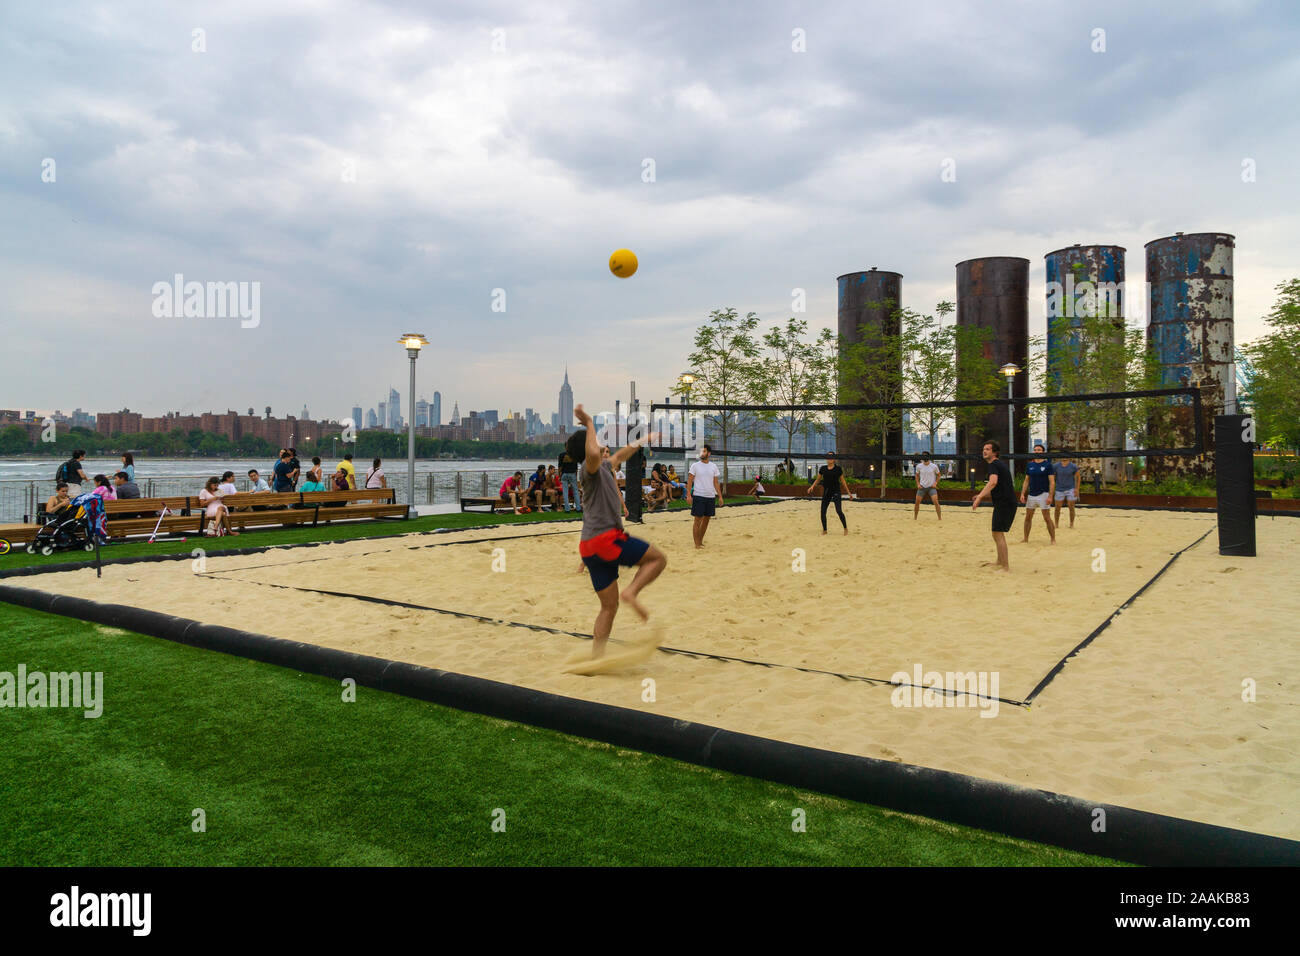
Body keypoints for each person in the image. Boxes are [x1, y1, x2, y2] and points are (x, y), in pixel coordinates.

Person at [570, 405, 667, 660]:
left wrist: (643, 440)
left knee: (608, 607)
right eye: (598, 442)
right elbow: (592, 453)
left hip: (590, 547)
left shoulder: (602, 467)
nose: (603, 447)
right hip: (605, 540)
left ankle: (596, 657)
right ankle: (632, 592)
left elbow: (621, 455)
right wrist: (589, 422)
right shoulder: (588, 469)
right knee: (658, 559)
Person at [971, 440, 1015, 572]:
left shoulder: (994, 465)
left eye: (988, 449)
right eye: (983, 449)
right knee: (996, 533)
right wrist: (982, 495)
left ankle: (1005, 567)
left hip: (1005, 503)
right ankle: (999, 561)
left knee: (998, 534)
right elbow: (1000, 487)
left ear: (994, 452)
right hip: (1004, 502)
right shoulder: (997, 465)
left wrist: (979, 497)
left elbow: (993, 482)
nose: (984, 451)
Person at [686, 444, 723, 549]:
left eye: (704, 451)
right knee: (697, 520)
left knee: (706, 520)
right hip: (698, 496)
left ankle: (700, 542)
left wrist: (720, 497)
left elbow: (716, 483)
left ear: (709, 453)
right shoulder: (695, 466)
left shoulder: (713, 466)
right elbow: (689, 481)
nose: (702, 453)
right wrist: (688, 495)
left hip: (710, 496)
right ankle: (696, 544)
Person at [1019, 443, 1057, 544]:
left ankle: (1053, 539)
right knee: (1028, 517)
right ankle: (1026, 538)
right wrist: (1022, 493)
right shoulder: (1030, 465)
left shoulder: (1048, 465)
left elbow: (1052, 482)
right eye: (1035, 450)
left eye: (1039, 450)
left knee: (1047, 518)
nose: (1037, 451)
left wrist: (1050, 496)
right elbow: (1026, 480)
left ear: (1043, 452)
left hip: (1043, 494)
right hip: (1031, 495)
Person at [805, 452, 849, 535]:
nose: (829, 459)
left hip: (836, 491)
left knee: (839, 511)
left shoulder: (838, 469)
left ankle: (845, 528)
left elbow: (843, 481)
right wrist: (812, 486)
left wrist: (849, 493)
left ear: (834, 459)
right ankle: (825, 530)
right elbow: (818, 480)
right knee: (823, 511)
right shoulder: (823, 469)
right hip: (827, 492)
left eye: (831, 457)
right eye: (828, 457)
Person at [1052, 454, 1080, 528]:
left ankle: (1071, 524)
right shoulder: (1056, 466)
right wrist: (1051, 489)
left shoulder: (1073, 466)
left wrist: (1077, 489)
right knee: (1057, 508)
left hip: (1070, 488)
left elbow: (1078, 477)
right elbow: (1052, 478)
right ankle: (1056, 524)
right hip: (1059, 489)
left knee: (1071, 507)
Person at [914, 451, 942, 521]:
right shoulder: (919, 466)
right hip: (922, 487)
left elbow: (939, 475)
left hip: (931, 487)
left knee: (935, 501)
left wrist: (935, 483)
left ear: (928, 457)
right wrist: (918, 484)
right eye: (923, 456)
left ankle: (939, 518)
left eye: (926, 456)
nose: (924, 457)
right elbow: (916, 476)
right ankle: (915, 518)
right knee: (917, 502)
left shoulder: (934, 466)